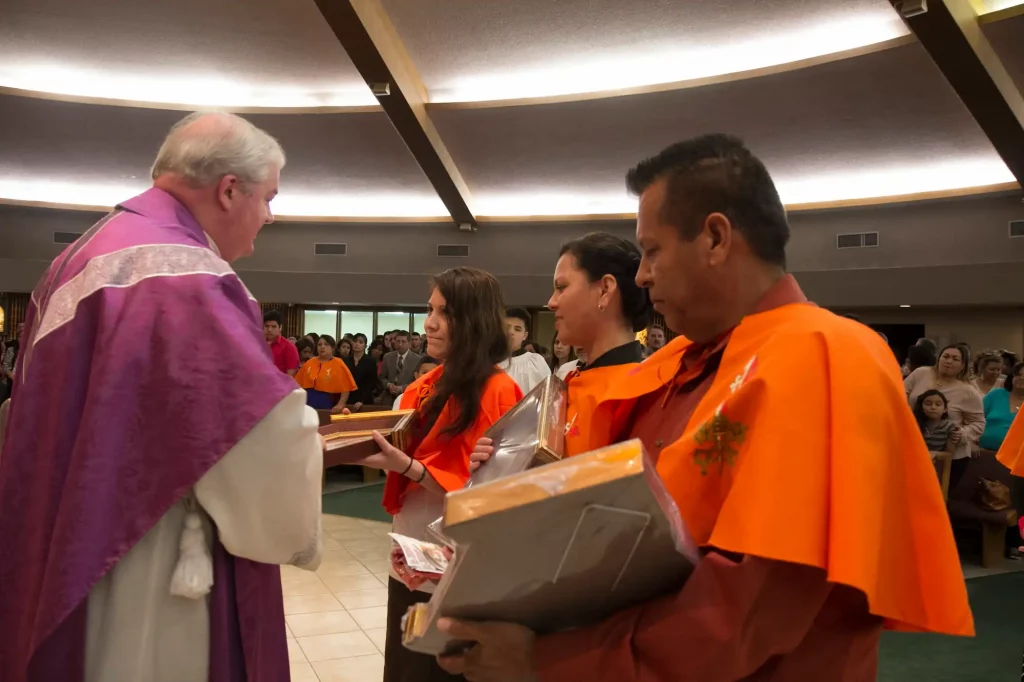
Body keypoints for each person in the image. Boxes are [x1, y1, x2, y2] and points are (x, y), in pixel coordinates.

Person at [440, 134, 972, 681]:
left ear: (715, 237)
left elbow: (754, 605)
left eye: (652, 251)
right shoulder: (680, 360)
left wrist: (549, 660)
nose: (641, 276)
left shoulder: (825, 352)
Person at [0, 112, 324, 682]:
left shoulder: (80, 255)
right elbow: (258, 436)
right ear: (229, 190)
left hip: (77, 533)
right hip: (150, 551)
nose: (271, 215)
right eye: (269, 197)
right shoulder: (183, 276)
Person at [351, 268, 522, 682]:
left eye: (444, 312)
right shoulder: (422, 386)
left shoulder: (499, 390)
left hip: (460, 565)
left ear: (474, 320)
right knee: (406, 665)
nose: (429, 322)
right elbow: (402, 455)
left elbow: (490, 490)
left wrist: (408, 466)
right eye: (430, 309)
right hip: (409, 553)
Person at [547, 232, 650, 456]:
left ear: (605, 290)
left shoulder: (640, 392)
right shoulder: (569, 380)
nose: (551, 302)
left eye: (561, 287)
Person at [906, 344, 985, 488]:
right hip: (914, 448)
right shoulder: (921, 373)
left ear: (963, 365)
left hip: (950, 456)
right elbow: (900, 395)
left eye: (955, 359)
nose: (949, 361)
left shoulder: (969, 391)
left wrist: (962, 434)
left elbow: (979, 423)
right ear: (938, 359)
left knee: (938, 499)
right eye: (946, 357)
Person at [297, 334, 358, 412]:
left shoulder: (338, 363)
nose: (322, 347)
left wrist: (340, 404)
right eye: (319, 345)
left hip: (328, 401)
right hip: (308, 401)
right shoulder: (310, 362)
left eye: (326, 344)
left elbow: (346, 388)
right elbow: (299, 384)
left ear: (332, 348)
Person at [499, 307, 551, 393]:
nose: (511, 332)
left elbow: (546, 394)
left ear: (525, 336)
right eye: (507, 327)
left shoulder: (535, 362)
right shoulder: (491, 362)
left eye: (517, 329)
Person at [980, 362, 1024, 452]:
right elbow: (974, 421)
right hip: (984, 453)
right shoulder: (995, 395)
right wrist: (971, 444)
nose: (1022, 378)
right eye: (1018, 375)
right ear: (1012, 377)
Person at [379, 330, 421, 405]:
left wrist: (402, 388)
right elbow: (382, 377)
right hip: (388, 398)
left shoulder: (417, 359)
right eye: (398, 341)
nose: (400, 344)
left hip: (407, 398)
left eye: (403, 341)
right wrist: (388, 385)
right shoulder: (387, 357)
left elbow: (418, 381)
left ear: (409, 343)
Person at [913, 390, 958, 456]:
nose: (933, 407)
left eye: (938, 404)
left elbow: (950, 453)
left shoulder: (949, 426)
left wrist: (935, 453)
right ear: (922, 408)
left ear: (945, 409)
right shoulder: (915, 424)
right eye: (928, 404)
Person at [345, 332, 378, 411]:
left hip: (365, 399)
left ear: (365, 346)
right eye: (355, 341)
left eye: (360, 342)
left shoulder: (370, 361)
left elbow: (371, 383)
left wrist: (362, 400)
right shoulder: (346, 360)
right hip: (349, 398)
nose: (357, 344)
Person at [263, 309, 299, 376]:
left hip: (279, 385)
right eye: (267, 326)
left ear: (280, 327)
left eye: (273, 327)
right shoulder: (257, 344)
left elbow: (290, 377)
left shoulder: (289, 347)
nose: (269, 330)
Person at [0, 322, 23, 404]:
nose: (22, 339)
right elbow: (6, 367)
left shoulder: (33, 351)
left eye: (24, 336)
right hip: (11, 381)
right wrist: (14, 378)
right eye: (20, 337)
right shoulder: (11, 350)